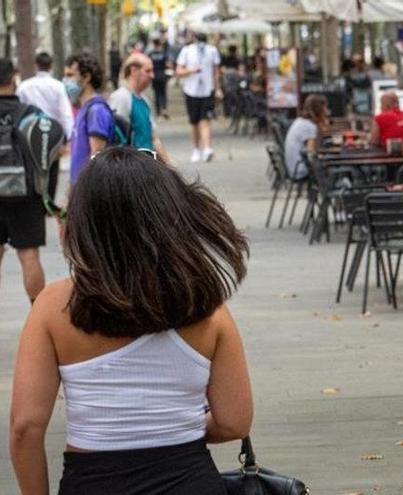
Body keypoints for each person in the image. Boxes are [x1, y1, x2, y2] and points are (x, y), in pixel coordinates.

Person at [9, 147, 253, 494]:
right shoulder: (207, 308)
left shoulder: (53, 306)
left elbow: (25, 428)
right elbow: (234, 422)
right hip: (190, 481)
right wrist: (169, 427)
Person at [0, 59, 49, 303]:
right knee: (29, 254)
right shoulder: (30, 114)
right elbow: (46, 154)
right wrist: (46, 196)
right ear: (14, 78)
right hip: (25, 194)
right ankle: (39, 315)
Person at [16, 51, 75, 200]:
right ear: (51, 66)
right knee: (52, 167)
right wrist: (66, 138)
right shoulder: (58, 86)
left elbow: (18, 110)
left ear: (36, 65)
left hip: (28, 134)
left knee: (31, 166)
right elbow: (66, 114)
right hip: (53, 135)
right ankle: (49, 201)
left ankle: (34, 198)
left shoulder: (24, 86)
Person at [109, 53, 171, 164]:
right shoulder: (121, 98)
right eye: (148, 71)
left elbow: (154, 138)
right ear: (133, 71)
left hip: (147, 165)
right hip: (130, 168)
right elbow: (116, 140)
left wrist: (170, 168)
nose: (152, 75)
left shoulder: (144, 100)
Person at [64, 52, 113, 184]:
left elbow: (96, 158)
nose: (65, 81)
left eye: (70, 75)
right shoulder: (83, 109)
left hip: (89, 191)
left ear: (86, 77)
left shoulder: (96, 111)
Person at [176, 32, 222, 163]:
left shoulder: (212, 51)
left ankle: (207, 149)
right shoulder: (186, 51)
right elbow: (179, 71)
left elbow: (216, 71)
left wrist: (218, 88)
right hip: (191, 91)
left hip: (207, 91)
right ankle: (196, 149)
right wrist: (191, 71)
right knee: (194, 122)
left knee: (205, 119)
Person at [284, 94, 328, 180]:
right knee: (332, 167)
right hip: (300, 170)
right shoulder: (309, 127)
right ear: (319, 110)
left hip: (293, 167)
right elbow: (311, 154)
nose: (327, 112)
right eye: (325, 108)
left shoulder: (300, 121)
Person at [147, 36, 171, 120]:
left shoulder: (151, 54)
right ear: (160, 44)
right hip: (163, 76)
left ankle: (158, 113)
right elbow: (168, 65)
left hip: (154, 76)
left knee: (156, 94)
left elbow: (147, 65)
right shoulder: (164, 53)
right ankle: (164, 109)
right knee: (163, 93)